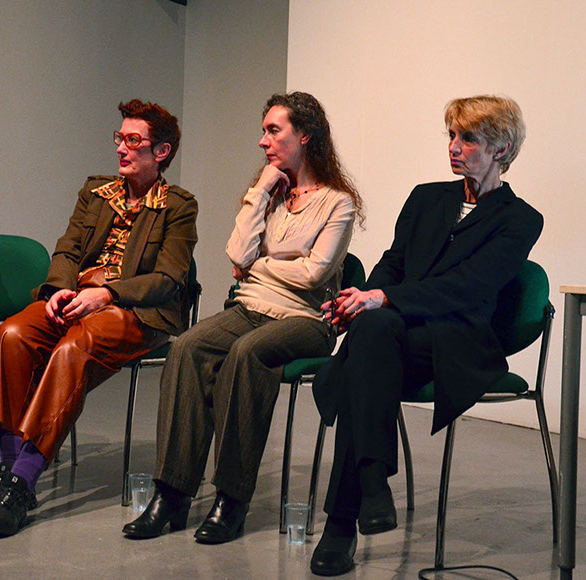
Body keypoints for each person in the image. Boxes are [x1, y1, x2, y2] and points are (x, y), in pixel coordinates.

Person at [308, 95, 543, 576]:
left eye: (468, 138)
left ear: (501, 149)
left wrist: (384, 301)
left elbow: (470, 288)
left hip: (454, 344)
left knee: (363, 350)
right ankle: (370, 485)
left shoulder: (520, 220)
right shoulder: (426, 197)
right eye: (451, 136)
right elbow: (393, 264)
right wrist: (362, 297)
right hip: (391, 337)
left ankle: (345, 519)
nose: (453, 147)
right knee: (371, 333)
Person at [123, 92, 362, 544]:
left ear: (305, 135)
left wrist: (257, 265)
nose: (262, 141)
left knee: (247, 354)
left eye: (274, 131)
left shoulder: (338, 203)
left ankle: (231, 497)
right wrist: (259, 192)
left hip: (306, 319)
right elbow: (235, 252)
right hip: (250, 307)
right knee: (189, 346)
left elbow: (314, 274)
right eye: (264, 129)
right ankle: (171, 492)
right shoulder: (269, 193)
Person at [0, 99, 198, 537]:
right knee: (11, 335)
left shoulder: (178, 206)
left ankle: (22, 483)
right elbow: (68, 249)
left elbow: (169, 278)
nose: (121, 149)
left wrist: (106, 294)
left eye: (134, 141)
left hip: (134, 310)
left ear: (161, 152)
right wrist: (58, 291)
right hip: (77, 296)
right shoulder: (96, 192)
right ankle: (6, 470)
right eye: (120, 138)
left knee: (74, 349)